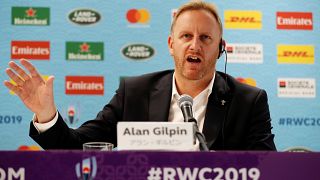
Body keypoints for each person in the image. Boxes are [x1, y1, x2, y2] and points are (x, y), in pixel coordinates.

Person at [4, 1, 276, 150]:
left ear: (220, 48)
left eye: (205, 38)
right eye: (186, 36)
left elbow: (265, 169)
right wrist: (46, 115)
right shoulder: (135, 92)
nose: (195, 45)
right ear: (171, 44)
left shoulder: (248, 101)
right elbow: (79, 147)